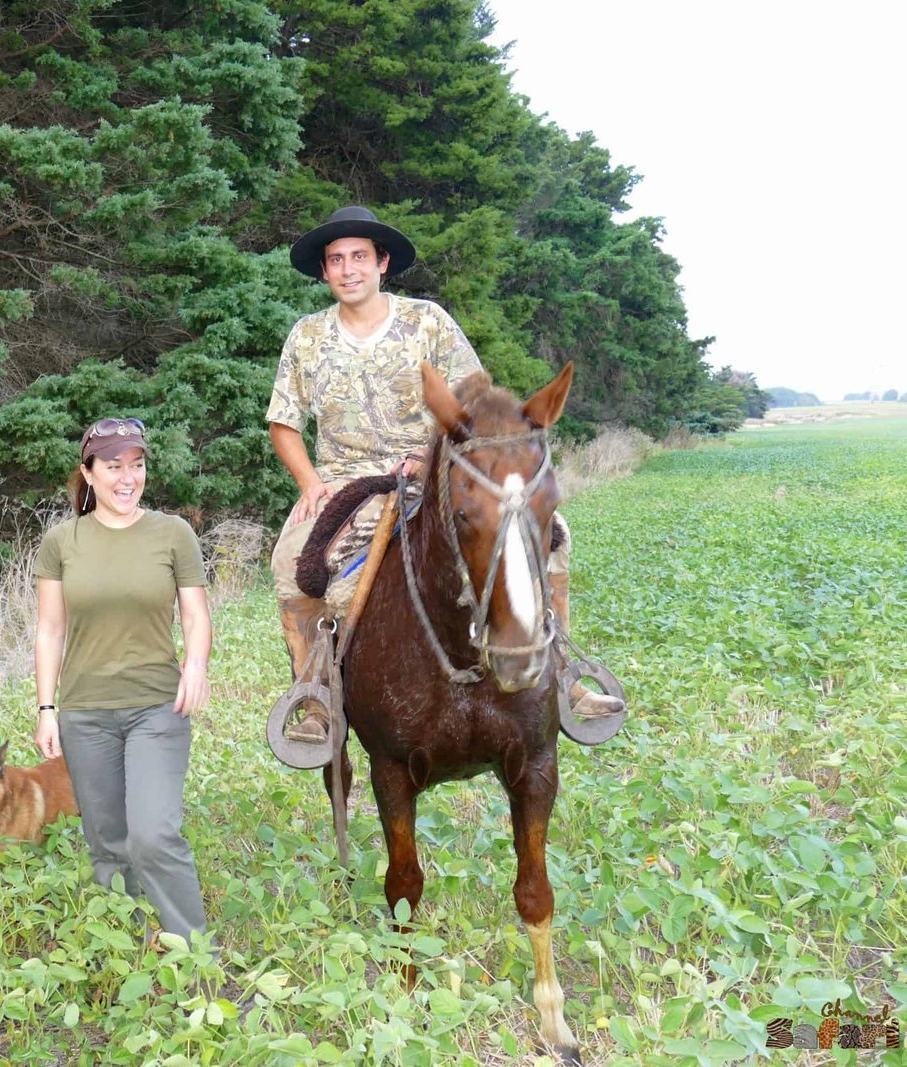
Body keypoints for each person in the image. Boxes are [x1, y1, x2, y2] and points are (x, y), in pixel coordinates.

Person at [267, 206, 624, 746]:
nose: (348, 269)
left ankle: (563, 673)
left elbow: (473, 401)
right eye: (336, 260)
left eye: (359, 256)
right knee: (291, 559)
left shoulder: (427, 321)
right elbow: (283, 423)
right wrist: (311, 484)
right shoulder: (307, 336)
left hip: (429, 471)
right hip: (346, 482)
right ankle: (316, 695)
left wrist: (427, 454)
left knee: (550, 535)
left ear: (382, 263)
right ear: (324, 271)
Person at [32, 419, 211, 941]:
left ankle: (193, 952)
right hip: (85, 713)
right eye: (114, 466)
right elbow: (50, 629)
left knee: (153, 834)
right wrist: (47, 709)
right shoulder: (62, 542)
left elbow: (196, 615)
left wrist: (196, 664)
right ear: (88, 473)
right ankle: (128, 941)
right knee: (108, 841)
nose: (128, 478)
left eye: (137, 465)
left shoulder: (172, 533)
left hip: (157, 707)